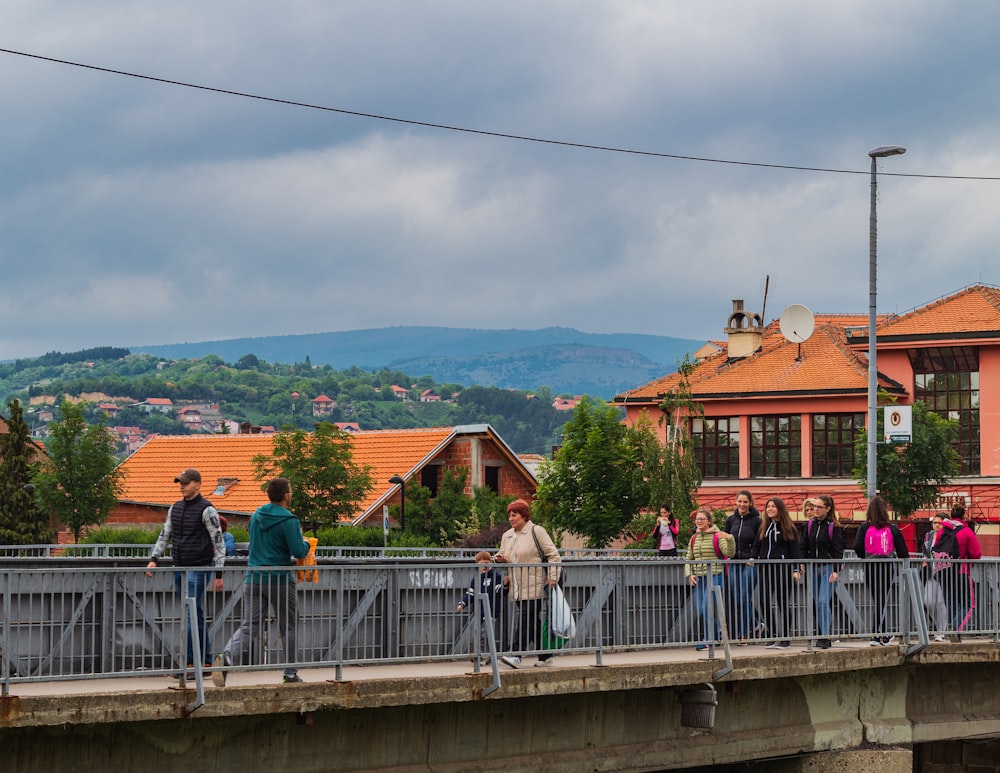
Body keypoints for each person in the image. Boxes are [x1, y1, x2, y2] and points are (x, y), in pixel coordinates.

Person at [213, 477, 311, 686]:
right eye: (290, 491)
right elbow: (298, 550)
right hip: (280, 579)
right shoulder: (289, 520)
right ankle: (290, 674)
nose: (291, 494)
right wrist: (306, 543)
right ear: (285, 495)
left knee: (250, 625)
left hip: (254, 577)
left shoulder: (256, 516)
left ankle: (228, 656)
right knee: (289, 626)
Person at [146, 468, 226, 673]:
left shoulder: (207, 510)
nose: (182, 486)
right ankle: (204, 661)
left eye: (186, 483)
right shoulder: (175, 508)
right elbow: (165, 534)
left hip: (199, 566)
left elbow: (219, 541)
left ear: (198, 484)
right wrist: (154, 559)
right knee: (194, 612)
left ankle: (190, 663)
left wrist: (218, 573)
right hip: (180, 566)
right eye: (180, 482)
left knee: (190, 613)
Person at [494, 499, 561, 669]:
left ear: (524, 516)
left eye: (514, 515)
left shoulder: (536, 531)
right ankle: (546, 656)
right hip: (516, 587)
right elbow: (502, 553)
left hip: (535, 585)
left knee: (525, 620)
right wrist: (498, 559)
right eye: (509, 515)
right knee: (532, 623)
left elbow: (553, 555)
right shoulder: (507, 535)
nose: (511, 518)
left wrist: (552, 578)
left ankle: (516, 655)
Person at [853, 495, 908, 646]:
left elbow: (857, 546)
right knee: (882, 600)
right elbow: (903, 552)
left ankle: (882, 634)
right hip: (886, 567)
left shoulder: (864, 528)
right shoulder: (892, 529)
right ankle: (877, 635)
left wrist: (865, 558)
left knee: (876, 600)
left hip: (870, 567)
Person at [749, 497, 801, 650]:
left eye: (773, 506)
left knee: (782, 603)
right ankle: (772, 633)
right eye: (768, 506)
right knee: (763, 600)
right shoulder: (764, 527)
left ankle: (785, 638)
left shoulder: (788, 528)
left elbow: (795, 550)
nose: (770, 509)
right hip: (766, 568)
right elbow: (757, 545)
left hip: (783, 569)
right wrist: (753, 556)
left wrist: (796, 569)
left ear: (780, 509)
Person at [798, 495, 845, 650]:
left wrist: (836, 570)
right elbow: (803, 545)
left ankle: (824, 636)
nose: (815, 510)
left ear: (828, 509)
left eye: (819, 507)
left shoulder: (834, 526)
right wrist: (802, 562)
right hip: (812, 568)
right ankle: (819, 634)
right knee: (816, 602)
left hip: (828, 568)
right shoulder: (810, 525)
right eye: (815, 507)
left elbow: (838, 549)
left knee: (823, 601)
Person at [685, 508, 735, 650]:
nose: (699, 521)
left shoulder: (717, 536)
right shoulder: (694, 538)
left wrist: (730, 539)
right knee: (701, 609)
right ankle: (715, 634)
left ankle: (709, 639)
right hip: (700, 577)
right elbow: (689, 558)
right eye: (697, 519)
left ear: (709, 521)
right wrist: (690, 574)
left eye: (702, 519)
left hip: (714, 575)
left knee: (707, 607)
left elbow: (729, 552)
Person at [457, 551, 507, 663]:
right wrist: (462, 603)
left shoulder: (496, 576)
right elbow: (470, 593)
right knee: (479, 633)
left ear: (490, 562)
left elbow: (499, 591)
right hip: (479, 611)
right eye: (480, 564)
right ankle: (485, 655)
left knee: (485, 632)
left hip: (491, 610)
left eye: (486, 563)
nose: (483, 566)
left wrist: (505, 585)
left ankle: (483, 655)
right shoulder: (476, 579)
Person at [724, 490, 761, 640]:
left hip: (749, 563)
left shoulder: (757, 521)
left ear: (750, 503)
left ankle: (743, 633)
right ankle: (756, 624)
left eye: (745, 502)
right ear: (736, 502)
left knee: (745, 597)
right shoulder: (731, 520)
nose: (742, 504)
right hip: (734, 562)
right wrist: (727, 556)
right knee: (737, 599)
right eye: (740, 501)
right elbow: (726, 539)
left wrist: (753, 557)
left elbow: (759, 541)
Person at [921, 513, 959, 643]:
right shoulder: (929, 535)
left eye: (939, 523)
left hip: (944, 572)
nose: (936, 525)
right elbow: (925, 550)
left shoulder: (948, 536)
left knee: (941, 603)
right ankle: (940, 626)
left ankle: (941, 632)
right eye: (934, 522)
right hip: (931, 572)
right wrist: (925, 559)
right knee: (928, 601)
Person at [947, 504, 983, 639]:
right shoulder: (966, 531)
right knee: (968, 604)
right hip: (962, 571)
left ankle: (950, 624)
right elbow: (976, 553)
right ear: (964, 516)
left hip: (945, 573)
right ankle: (955, 629)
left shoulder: (943, 532)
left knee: (952, 602)